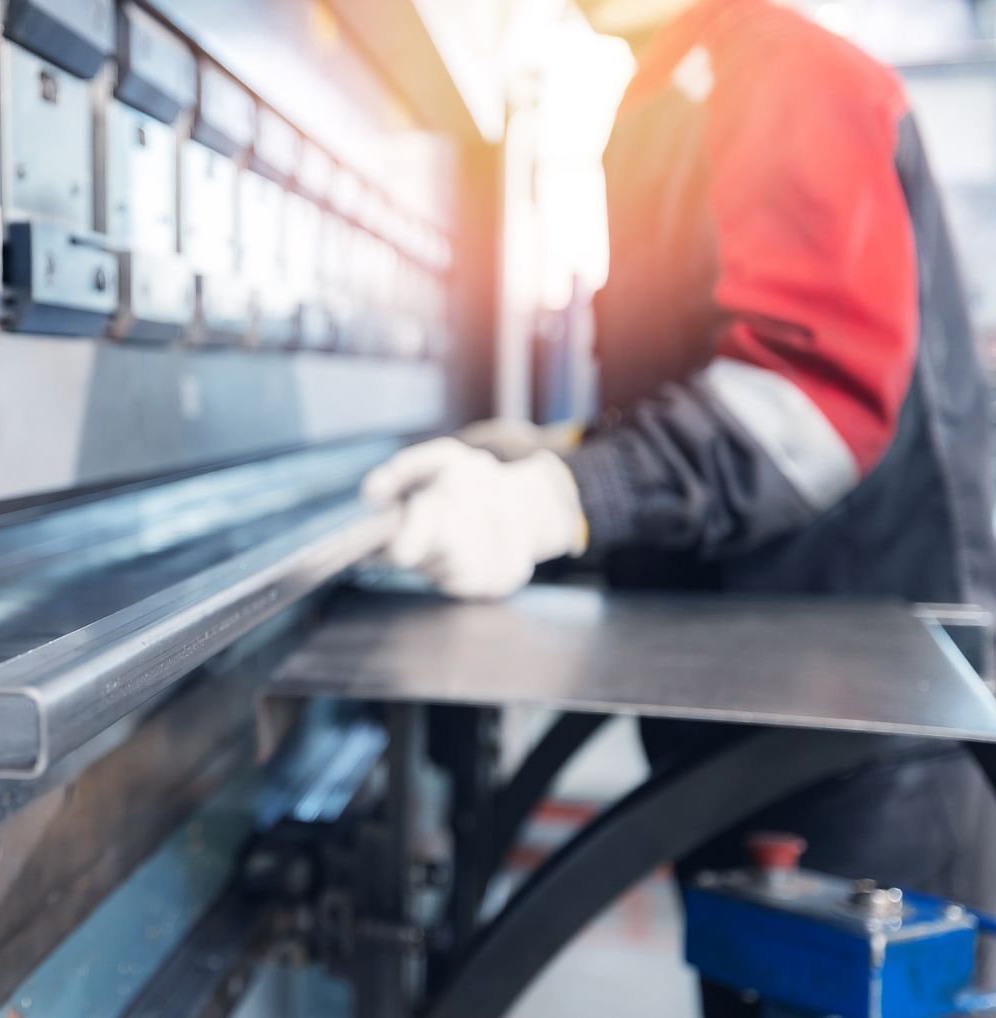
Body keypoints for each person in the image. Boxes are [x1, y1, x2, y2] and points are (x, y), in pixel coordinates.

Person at [359, 0, 996, 1011]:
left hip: (862, 743)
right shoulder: (662, 95)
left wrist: (560, 499)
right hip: (741, 708)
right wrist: (559, 455)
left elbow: (811, 404)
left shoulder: (789, 72)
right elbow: (692, 375)